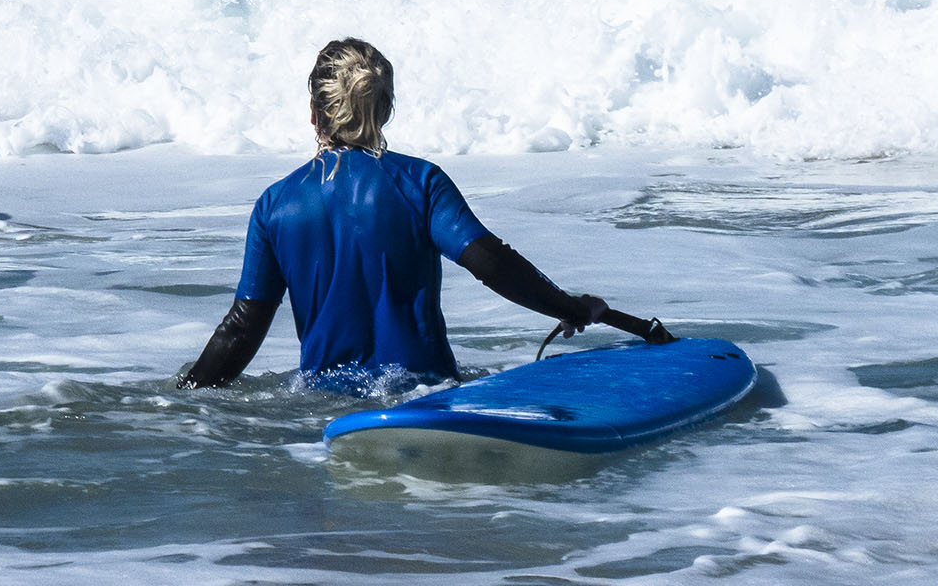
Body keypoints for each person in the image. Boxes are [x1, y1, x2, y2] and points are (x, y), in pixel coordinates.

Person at [178, 38, 621, 392]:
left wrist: (183, 396)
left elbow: (242, 328)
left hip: (325, 408)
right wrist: (570, 307)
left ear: (314, 114)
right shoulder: (420, 183)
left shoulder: (275, 205)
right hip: (425, 396)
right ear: (386, 109)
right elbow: (490, 263)